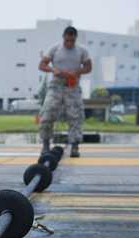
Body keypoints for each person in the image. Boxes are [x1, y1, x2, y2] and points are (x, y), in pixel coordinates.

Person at [38, 26, 92, 158]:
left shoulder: (82, 50)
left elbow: (88, 67)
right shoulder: (55, 49)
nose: (69, 43)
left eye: (72, 41)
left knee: (76, 116)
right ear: (63, 37)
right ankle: (45, 146)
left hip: (72, 86)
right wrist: (52, 70)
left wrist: (77, 72)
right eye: (67, 40)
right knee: (47, 114)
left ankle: (75, 146)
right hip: (56, 85)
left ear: (75, 39)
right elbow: (42, 65)